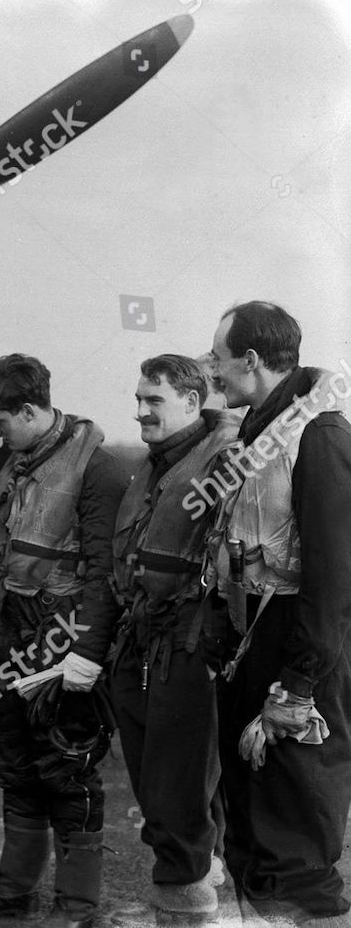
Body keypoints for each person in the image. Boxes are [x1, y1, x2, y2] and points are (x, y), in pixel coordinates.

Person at [0, 353, 128, 928]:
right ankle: (14, 888)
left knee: (68, 770)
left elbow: (104, 574)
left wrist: (86, 657)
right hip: (7, 635)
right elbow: (1, 560)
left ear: (28, 410)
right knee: (16, 768)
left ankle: (77, 907)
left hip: (62, 645)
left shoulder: (97, 472)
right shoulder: (20, 462)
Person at [202, 301, 351, 925]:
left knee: (294, 815)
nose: (211, 368)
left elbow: (335, 577)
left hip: (296, 646)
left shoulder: (319, 436)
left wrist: (298, 681)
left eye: (217, 357)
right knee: (253, 815)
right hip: (251, 637)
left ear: (252, 360)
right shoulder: (261, 429)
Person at [109, 355, 237, 923]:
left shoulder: (229, 459)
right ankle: (197, 888)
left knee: (179, 798)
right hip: (138, 646)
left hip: (188, 650)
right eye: (138, 399)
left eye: (153, 400)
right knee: (161, 793)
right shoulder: (156, 464)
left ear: (192, 402)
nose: (140, 411)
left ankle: (188, 908)